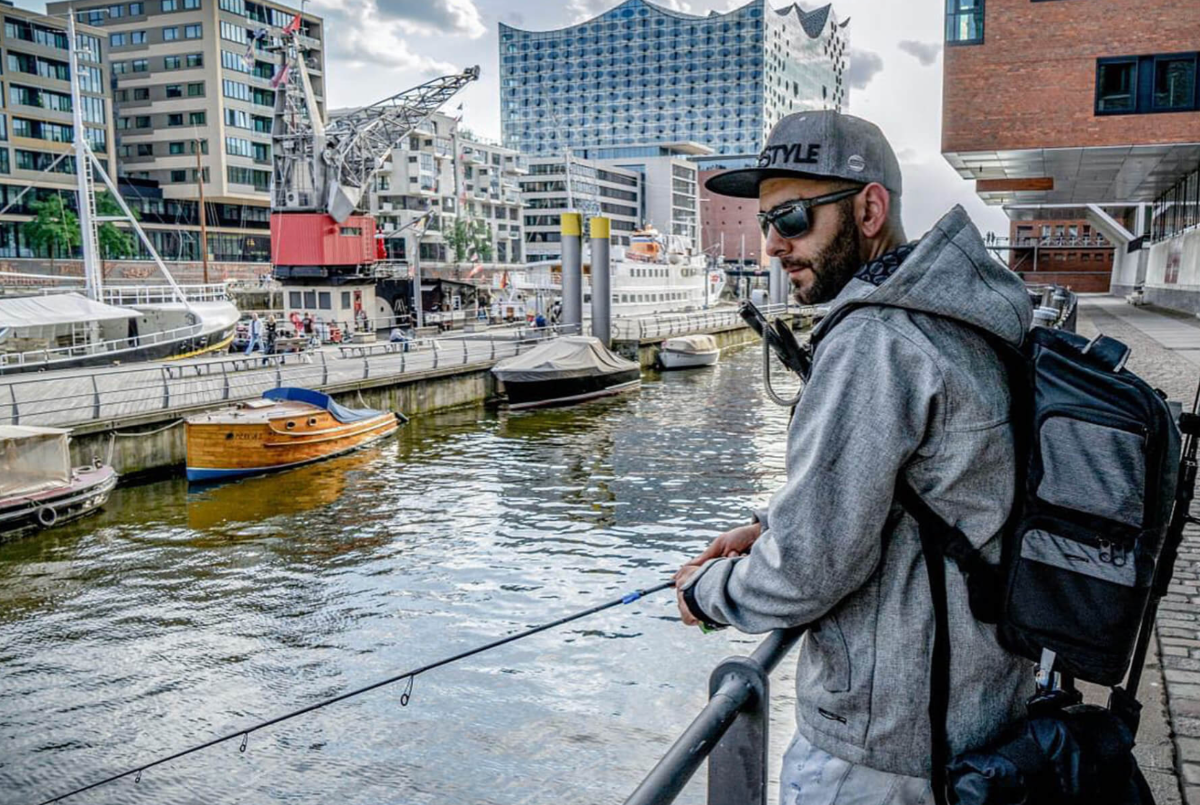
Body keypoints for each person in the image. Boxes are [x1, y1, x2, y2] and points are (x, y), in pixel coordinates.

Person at [674, 110, 1033, 804]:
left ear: (869, 208)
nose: (773, 244)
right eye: (765, 222)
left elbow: (806, 571)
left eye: (795, 217)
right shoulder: (956, 315)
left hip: (883, 749)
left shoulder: (877, 339)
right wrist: (771, 523)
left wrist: (703, 592)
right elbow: (922, 491)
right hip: (973, 713)